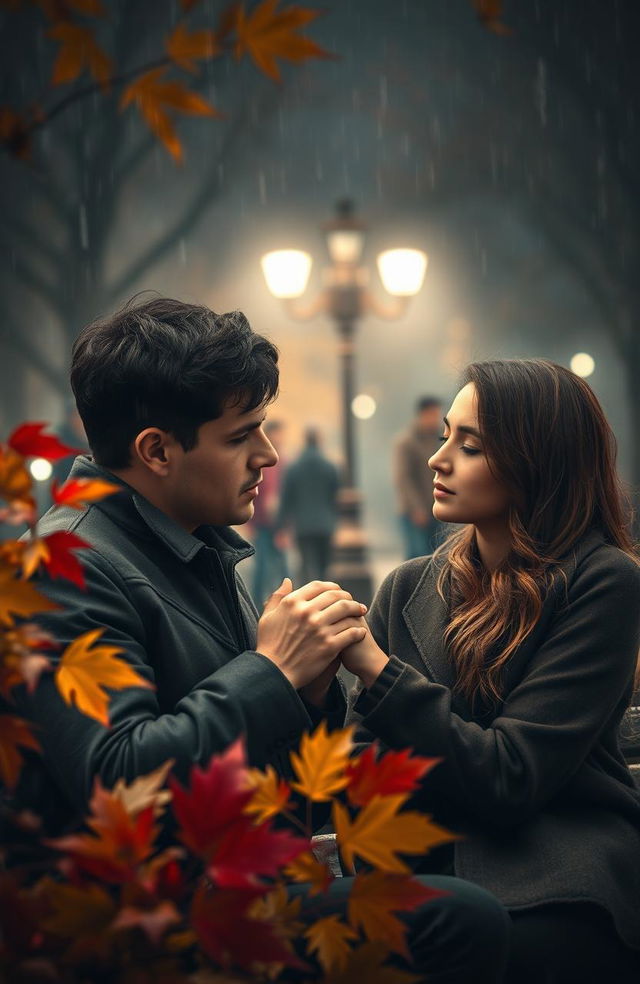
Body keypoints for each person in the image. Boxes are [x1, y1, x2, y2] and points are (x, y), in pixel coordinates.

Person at [11, 298, 510, 984]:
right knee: (461, 921)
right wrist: (272, 671)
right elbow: (119, 782)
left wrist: (308, 694)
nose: (268, 455)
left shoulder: (193, 542)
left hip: (241, 888)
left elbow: (268, 760)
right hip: (143, 924)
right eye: (243, 435)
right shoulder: (68, 569)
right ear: (157, 450)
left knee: (456, 900)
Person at [342, 359, 640, 983]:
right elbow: (363, 766)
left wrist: (375, 669)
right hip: (416, 858)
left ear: (536, 460)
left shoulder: (603, 581)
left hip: (556, 861)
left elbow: (514, 775)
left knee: (525, 950)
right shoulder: (407, 586)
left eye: (469, 445)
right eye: (444, 434)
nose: (438, 459)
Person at [277, 426, 339, 583]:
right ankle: (325, 598)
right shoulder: (330, 466)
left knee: (306, 565)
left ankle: (309, 598)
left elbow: (286, 499)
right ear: (319, 440)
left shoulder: (294, 467)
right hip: (325, 524)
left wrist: (280, 526)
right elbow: (336, 496)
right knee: (324, 567)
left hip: (303, 525)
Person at [394, 395, 445, 559]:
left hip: (438, 509)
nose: (436, 419)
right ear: (422, 414)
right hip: (413, 512)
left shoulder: (441, 440)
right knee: (417, 556)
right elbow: (403, 478)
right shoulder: (406, 442)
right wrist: (416, 508)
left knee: (439, 556)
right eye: (433, 414)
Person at [248, 418, 289, 607]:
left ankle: (271, 604)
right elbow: (270, 497)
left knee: (274, 568)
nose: (281, 438)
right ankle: (261, 607)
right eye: (279, 433)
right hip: (268, 524)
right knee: (268, 568)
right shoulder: (271, 460)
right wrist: (281, 528)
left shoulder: (280, 460)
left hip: (269, 523)